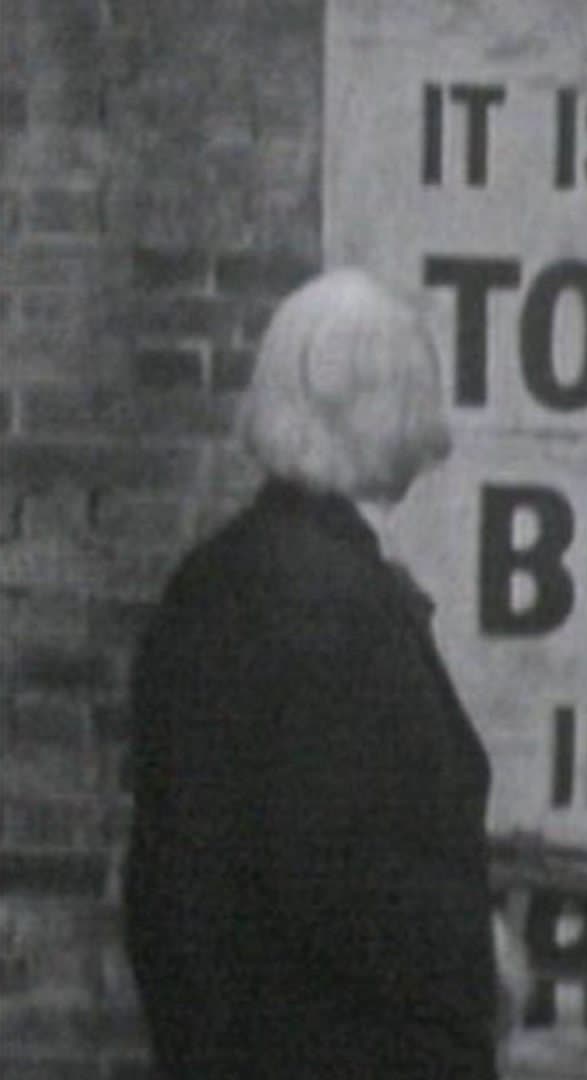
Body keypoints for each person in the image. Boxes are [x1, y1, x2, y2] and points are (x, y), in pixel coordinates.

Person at [124, 269, 499, 1078]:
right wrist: (475, 958)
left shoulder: (211, 579)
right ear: (391, 411)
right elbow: (347, 877)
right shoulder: (342, 608)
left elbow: (168, 875)